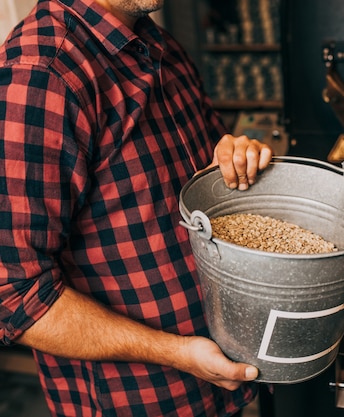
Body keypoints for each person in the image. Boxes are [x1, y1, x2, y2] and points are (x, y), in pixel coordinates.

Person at [0, 0, 274, 416]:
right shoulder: (42, 74)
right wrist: (178, 353)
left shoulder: (162, 47)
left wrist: (235, 157)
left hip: (224, 383)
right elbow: (15, 296)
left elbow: (207, 192)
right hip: (138, 399)